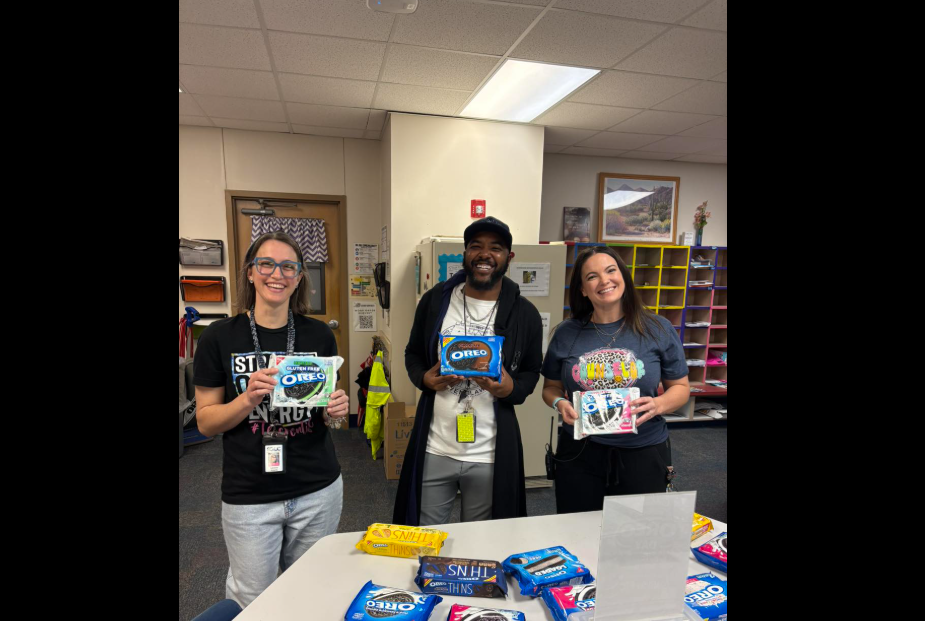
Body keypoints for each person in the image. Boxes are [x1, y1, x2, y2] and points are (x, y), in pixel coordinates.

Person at [194, 231, 350, 608]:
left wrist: (336, 413)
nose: (276, 274)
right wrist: (247, 398)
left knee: (311, 591)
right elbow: (206, 422)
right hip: (250, 496)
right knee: (253, 600)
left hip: (317, 488)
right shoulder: (219, 337)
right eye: (266, 263)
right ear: (250, 272)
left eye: (288, 266)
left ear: (298, 277)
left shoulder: (318, 334)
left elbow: (330, 419)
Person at [394, 217, 544, 526]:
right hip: (436, 445)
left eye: (496, 248)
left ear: (509, 258)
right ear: (465, 253)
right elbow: (412, 354)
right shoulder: (437, 301)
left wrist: (511, 389)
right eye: (476, 246)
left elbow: (531, 371)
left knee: (482, 540)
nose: (484, 254)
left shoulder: (524, 313)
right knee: (424, 539)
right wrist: (423, 378)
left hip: (489, 453)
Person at [542, 247, 691, 514]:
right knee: (577, 530)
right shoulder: (567, 332)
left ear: (623, 276)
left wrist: (658, 405)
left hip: (642, 451)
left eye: (611, 270)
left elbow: (680, 389)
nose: (605, 280)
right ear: (583, 290)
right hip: (579, 453)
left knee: (637, 538)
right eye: (592, 276)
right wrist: (559, 404)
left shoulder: (657, 329)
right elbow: (550, 388)